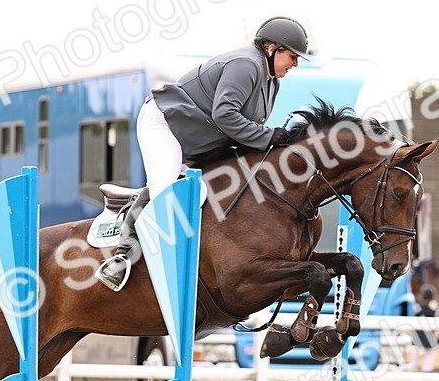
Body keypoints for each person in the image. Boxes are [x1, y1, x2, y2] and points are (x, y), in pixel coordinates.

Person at [96, 16, 312, 291]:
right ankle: (122, 257)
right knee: (165, 189)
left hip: (204, 136)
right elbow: (225, 114)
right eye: (292, 56)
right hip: (166, 124)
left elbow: (247, 125)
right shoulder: (245, 65)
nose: (294, 64)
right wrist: (268, 135)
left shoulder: (272, 81)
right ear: (272, 48)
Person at [410, 285, 439, 379]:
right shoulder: (435, 311)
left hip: (418, 339)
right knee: (428, 364)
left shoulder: (417, 309)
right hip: (430, 340)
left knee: (414, 363)